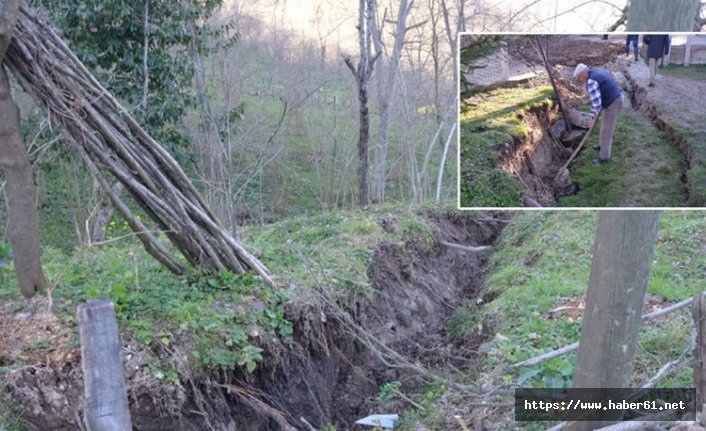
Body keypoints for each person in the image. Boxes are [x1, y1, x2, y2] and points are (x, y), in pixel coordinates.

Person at [573, 64, 623, 165]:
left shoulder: (591, 81)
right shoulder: (595, 71)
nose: (580, 80)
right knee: (604, 125)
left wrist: (592, 119)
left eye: (579, 78)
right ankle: (602, 146)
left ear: (583, 74)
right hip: (615, 97)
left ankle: (603, 158)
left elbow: (596, 103)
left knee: (606, 131)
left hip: (613, 102)